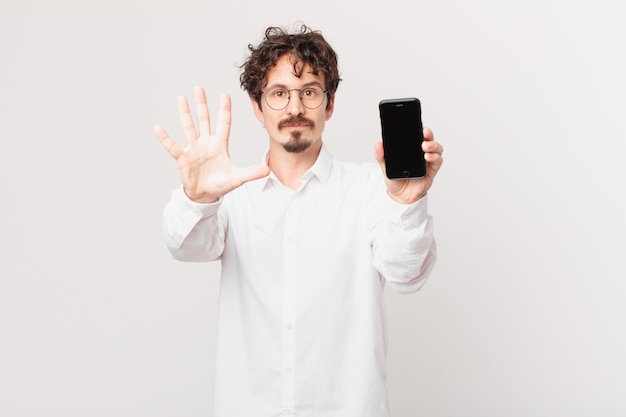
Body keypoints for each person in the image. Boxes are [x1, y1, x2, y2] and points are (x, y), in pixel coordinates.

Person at [153, 24, 443, 417]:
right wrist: (198, 196)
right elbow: (182, 244)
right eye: (279, 94)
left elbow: (408, 276)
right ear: (257, 107)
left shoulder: (370, 191)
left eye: (309, 92)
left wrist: (407, 203)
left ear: (330, 104)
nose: (294, 108)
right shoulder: (231, 195)